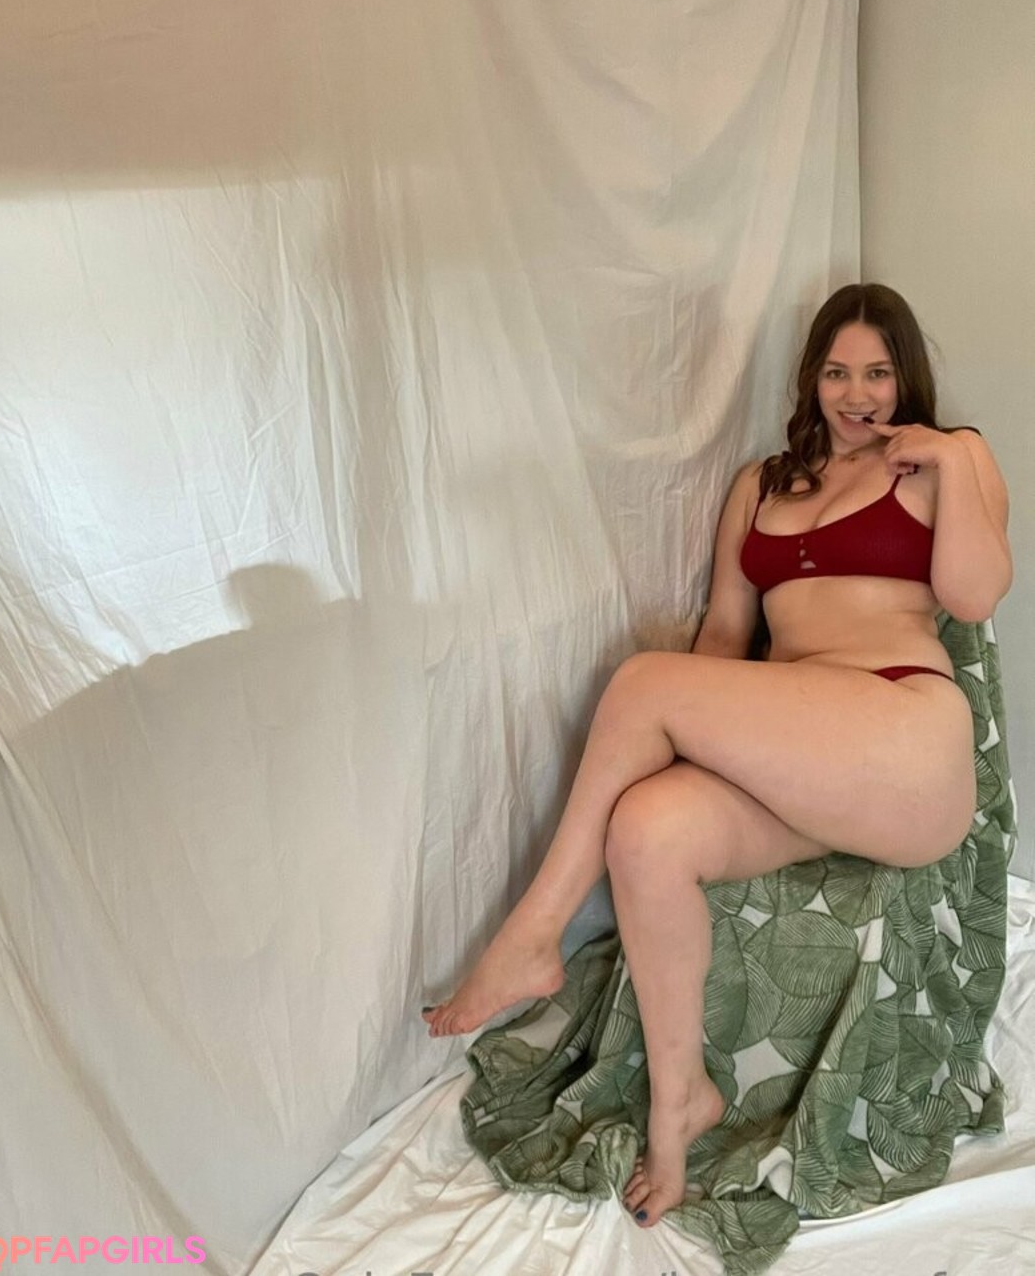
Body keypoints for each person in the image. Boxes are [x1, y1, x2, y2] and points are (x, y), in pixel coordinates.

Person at [421, 283, 1011, 1228]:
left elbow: (976, 596)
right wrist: (693, 745)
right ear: (811, 377)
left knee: (641, 683)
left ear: (906, 378)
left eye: (877, 373)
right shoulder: (763, 485)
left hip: (905, 742)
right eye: (836, 372)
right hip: (802, 758)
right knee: (647, 828)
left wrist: (944, 458)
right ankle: (679, 1102)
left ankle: (533, 932)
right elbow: (726, 640)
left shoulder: (951, 457)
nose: (856, 394)